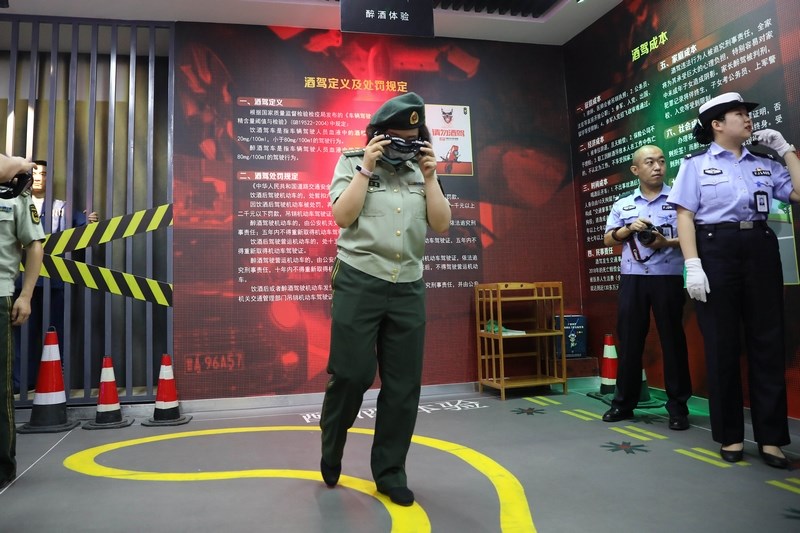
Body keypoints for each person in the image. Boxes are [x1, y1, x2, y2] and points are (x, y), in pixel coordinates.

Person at [319, 92, 451, 506]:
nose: (404, 147)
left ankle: (391, 472)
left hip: (408, 284)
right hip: (359, 279)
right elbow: (342, 216)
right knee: (351, 373)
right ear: (378, 135)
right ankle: (332, 445)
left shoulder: (423, 171)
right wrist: (366, 168)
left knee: (403, 384)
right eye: (396, 139)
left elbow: (442, 224)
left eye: (412, 140)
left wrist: (430, 177)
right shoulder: (351, 162)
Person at [667, 92, 800, 469]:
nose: (748, 119)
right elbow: (684, 216)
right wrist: (693, 264)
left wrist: (786, 151)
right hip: (715, 248)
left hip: (759, 246)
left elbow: (798, 192)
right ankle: (730, 434)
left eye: (747, 113)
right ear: (717, 124)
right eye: (739, 114)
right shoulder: (695, 164)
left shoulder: (764, 162)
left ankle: (771, 439)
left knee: (768, 342)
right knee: (721, 343)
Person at [601, 145, 693, 430]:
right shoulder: (624, 204)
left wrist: (666, 242)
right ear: (635, 170)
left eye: (662, 161)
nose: (657, 167)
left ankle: (678, 408)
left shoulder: (679, 200)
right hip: (633, 279)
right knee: (629, 341)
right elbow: (608, 239)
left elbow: (693, 235)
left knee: (673, 342)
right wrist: (629, 229)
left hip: (668, 278)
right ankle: (623, 404)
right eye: (650, 162)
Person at [13, 160, 98, 392]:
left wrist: (89, 223)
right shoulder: (16, 202)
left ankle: (52, 381)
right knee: (23, 332)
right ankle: (22, 382)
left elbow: (83, 229)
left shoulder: (62, 207)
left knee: (53, 331)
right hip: (21, 280)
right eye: (34, 172)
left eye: (43, 173)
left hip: (54, 281)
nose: (38, 177)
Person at [0, 154, 45, 490]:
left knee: (1, 389)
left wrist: (25, 295)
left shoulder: (15, 196)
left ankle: (3, 465)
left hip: (0, 295)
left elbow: (34, 246)